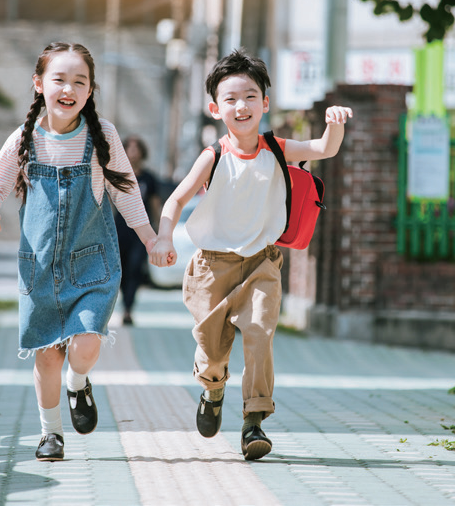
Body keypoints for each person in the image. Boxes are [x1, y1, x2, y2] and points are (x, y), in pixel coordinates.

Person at [150, 49, 352, 460]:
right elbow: (175, 200)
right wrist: (164, 238)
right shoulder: (214, 156)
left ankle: (253, 422)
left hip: (262, 262)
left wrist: (335, 124)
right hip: (211, 267)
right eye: (230, 98)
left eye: (250, 96)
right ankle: (213, 389)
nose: (241, 106)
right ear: (214, 108)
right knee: (211, 351)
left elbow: (323, 149)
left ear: (265, 103)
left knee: (260, 334)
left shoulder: (276, 148)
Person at [0, 42, 157, 462]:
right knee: (46, 355)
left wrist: (151, 238)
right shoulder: (23, 139)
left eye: (79, 81)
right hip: (39, 267)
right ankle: (50, 434)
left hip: (92, 264)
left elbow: (125, 191)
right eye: (59, 79)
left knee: (85, 345)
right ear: (39, 84)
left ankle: (79, 382)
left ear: (90, 90)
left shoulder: (101, 135)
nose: (69, 88)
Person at [115, 135, 162, 326]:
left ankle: (128, 309)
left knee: (134, 269)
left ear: (142, 152)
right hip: (119, 230)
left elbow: (155, 204)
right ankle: (122, 302)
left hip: (140, 233)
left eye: (136, 148)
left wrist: (160, 230)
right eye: (129, 148)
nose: (132, 152)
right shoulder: (117, 175)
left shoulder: (148, 178)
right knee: (120, 270)